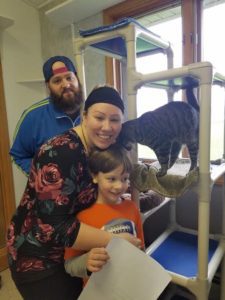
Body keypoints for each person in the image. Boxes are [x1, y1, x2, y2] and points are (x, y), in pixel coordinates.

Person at [6, 85, 141, 300]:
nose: (107, 127)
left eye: (115, 120)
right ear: (84, 116)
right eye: (99, 118)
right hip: (38, 260)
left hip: (72, 255)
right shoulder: (59, 153)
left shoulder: (100, 148)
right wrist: (113, 241)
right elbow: (55, 226)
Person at [64, 144, 145, 282]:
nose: (119, 186)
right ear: (95, 176)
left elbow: (141, 248)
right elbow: (69, 265)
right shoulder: (83, 216)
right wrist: (86, 262)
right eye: (111, 179)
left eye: (125, 179)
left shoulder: (132, 208)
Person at [10, 55, 83, 176]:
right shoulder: (33, 117)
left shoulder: (94, 111)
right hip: (52, 193)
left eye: (69, 78)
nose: (66, 84)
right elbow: (18, 155)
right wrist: (40, 178)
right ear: (48, 86)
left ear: (77, 79)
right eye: (57, 81)